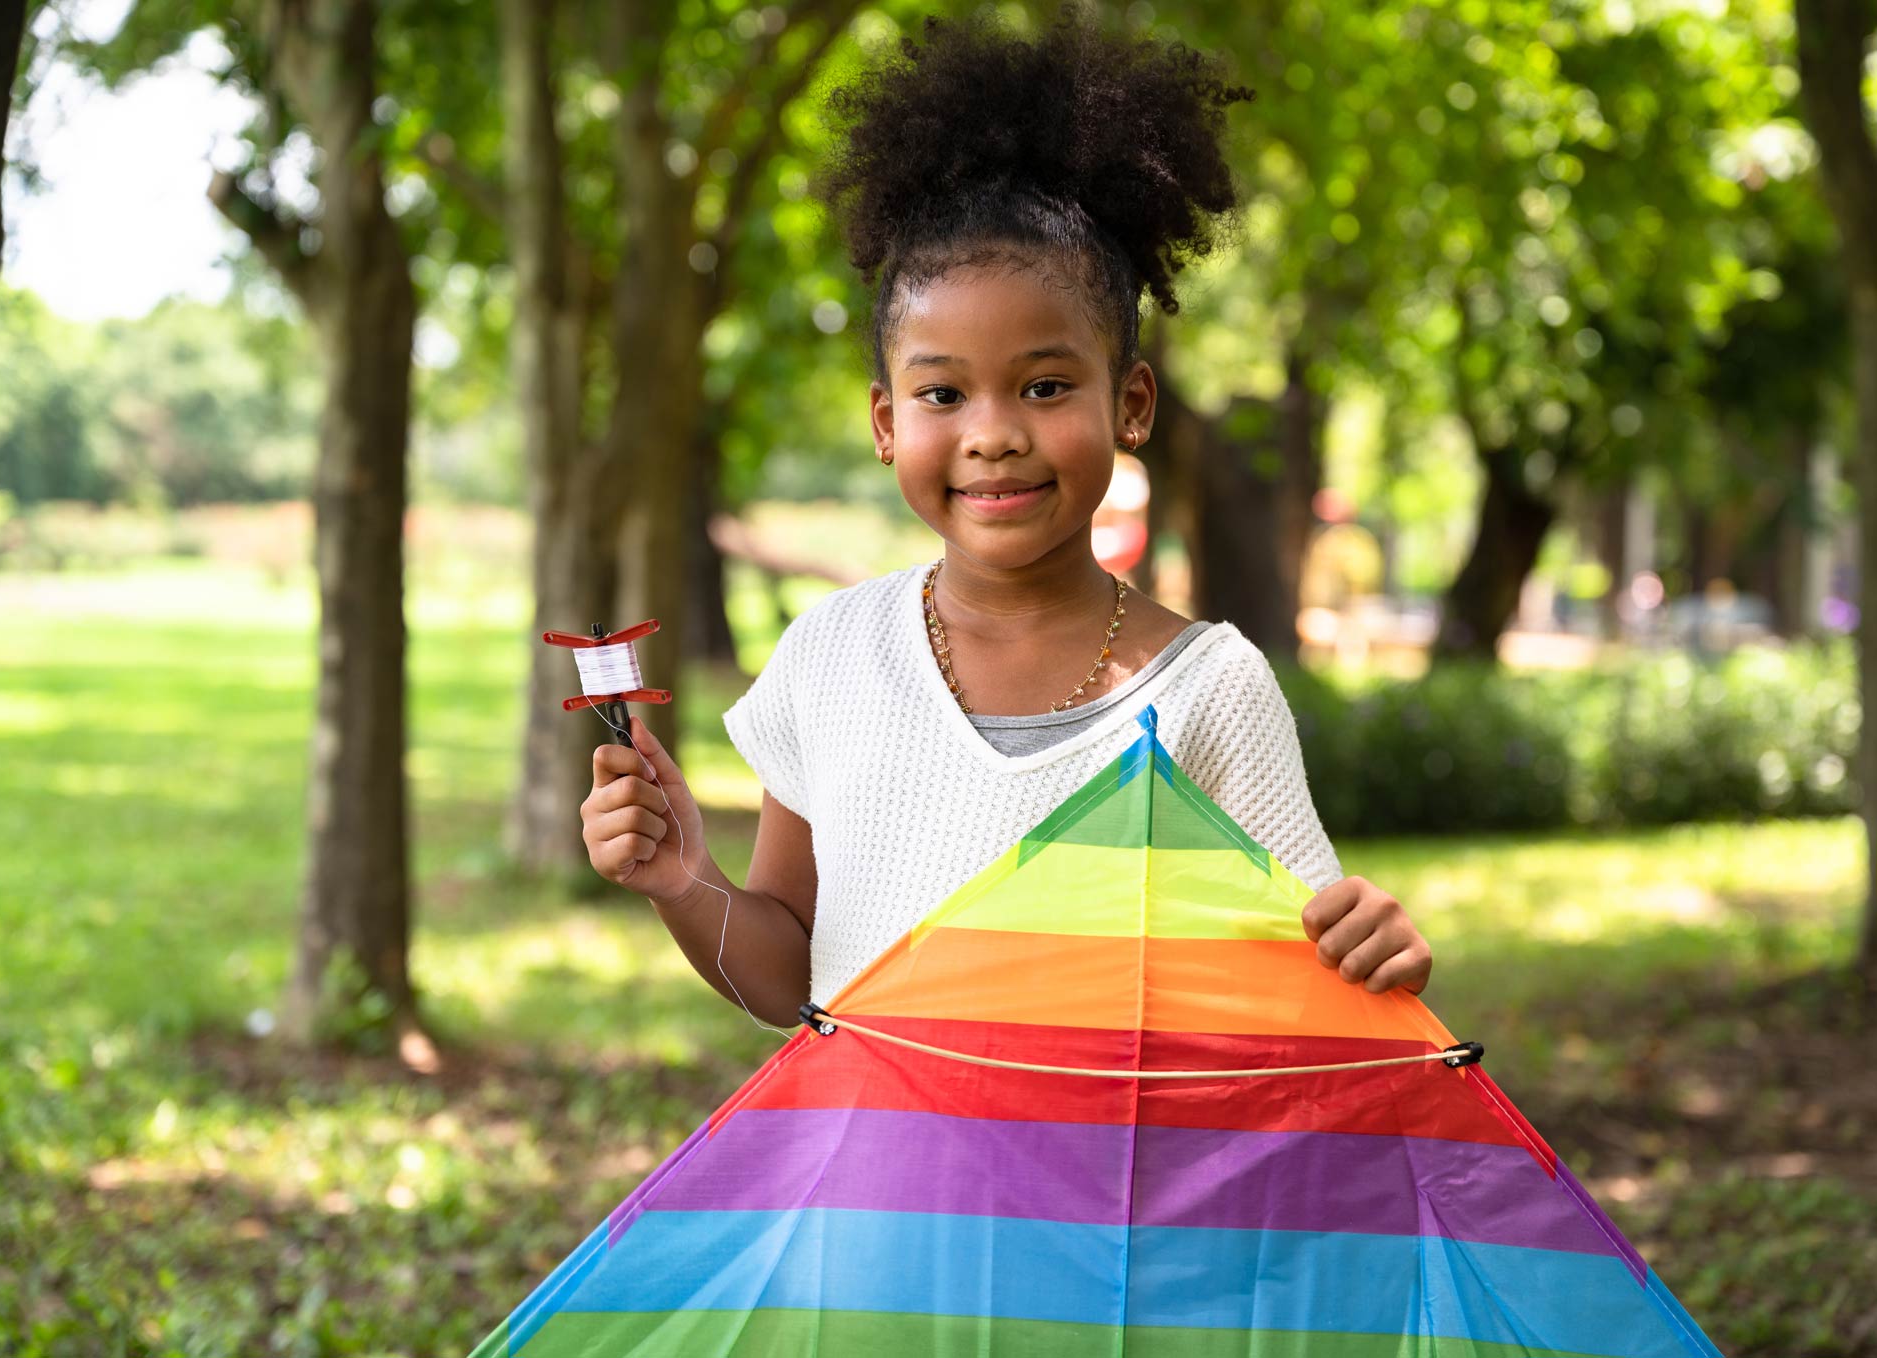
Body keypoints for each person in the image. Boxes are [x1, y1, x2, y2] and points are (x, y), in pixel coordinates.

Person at [581, 8, 1431, 1029]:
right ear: (887, 422)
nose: (993, 434)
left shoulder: (1213, 690)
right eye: (944, 396)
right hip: (879, 1184)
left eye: (1043, 387)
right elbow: (793, 981)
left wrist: (1371, 951)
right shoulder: (831, 659)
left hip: (1112, 1190)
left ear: (1131, 405)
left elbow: (1293, 994)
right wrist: (685, 879)